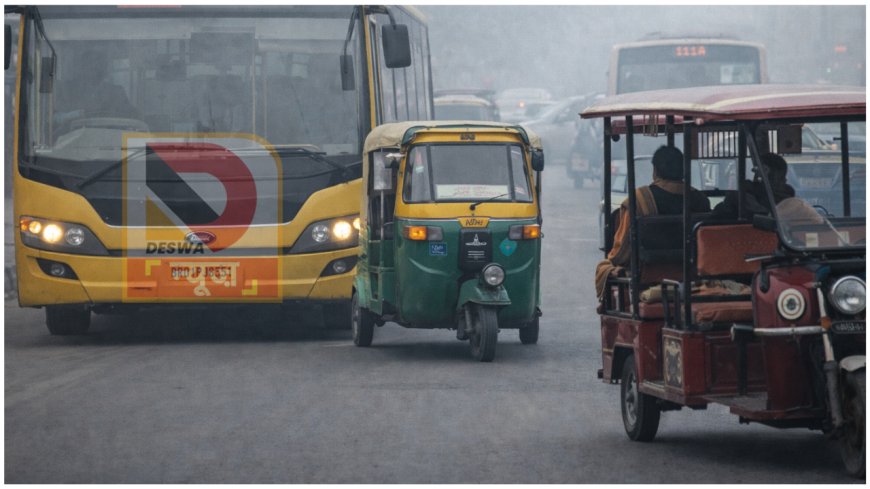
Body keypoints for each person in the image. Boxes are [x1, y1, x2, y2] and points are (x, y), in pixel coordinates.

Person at [594, 146, 711, 298]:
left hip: (647, 277)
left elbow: (621, 253)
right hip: (695, 275)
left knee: (604, 267)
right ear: (683, 170)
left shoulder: (638, 200)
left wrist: (608, 264)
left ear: (655, 171)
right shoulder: (701, 200)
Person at [712, 152, 796, 219]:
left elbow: (719, 213)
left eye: (756, 168)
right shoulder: (790, 200)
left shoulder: (745, 195)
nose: (753, 170)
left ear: (766, 170)